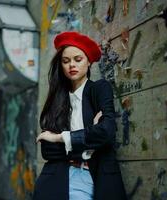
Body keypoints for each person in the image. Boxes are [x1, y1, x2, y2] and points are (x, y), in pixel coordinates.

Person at [33, 31, 127, 200]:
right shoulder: (57, 99)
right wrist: (89, 138)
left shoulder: (99, 89)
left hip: (93, 176)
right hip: (57, 179)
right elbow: (48, 151)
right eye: (66, 61)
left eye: (78, 59)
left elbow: (106, 132)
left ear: (89, 62)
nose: (71, 65)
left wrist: (59, 138)